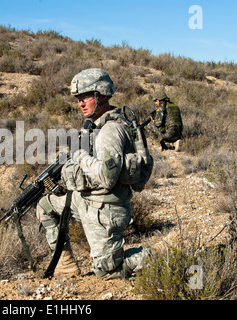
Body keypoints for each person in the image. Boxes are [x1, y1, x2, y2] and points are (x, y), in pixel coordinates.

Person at [36, 68, 151, 280]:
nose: (80, 103)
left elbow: (107, 178)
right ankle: (66, 266)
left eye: (86, 97)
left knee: (107, 271)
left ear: (102, 95)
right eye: (78, 98)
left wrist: (79, 157)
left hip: (105, 210)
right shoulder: (95, 126)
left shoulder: (110, 131)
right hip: (87, 201)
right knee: (45, 206)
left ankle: (154, 258)